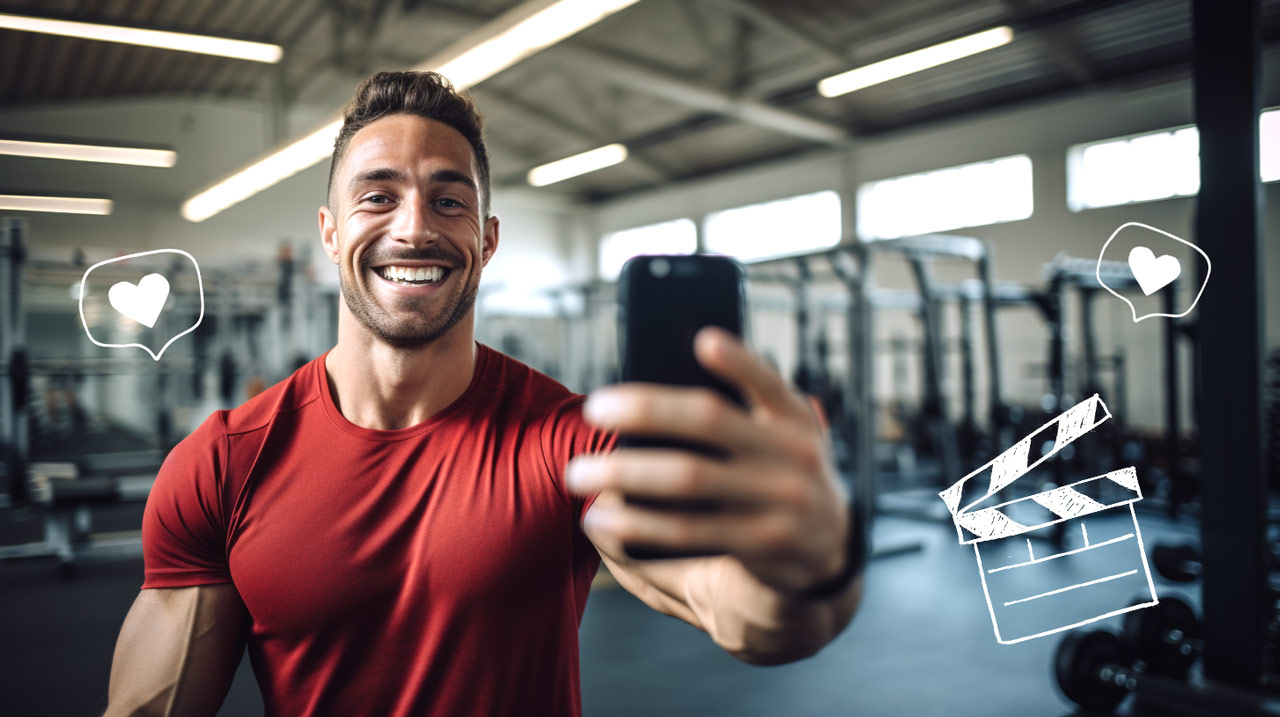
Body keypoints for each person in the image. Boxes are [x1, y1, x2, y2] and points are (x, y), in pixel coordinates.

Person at [104, 71, 862, 717]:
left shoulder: (569, 442)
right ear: (331, 234)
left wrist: (815, 562)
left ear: (488, 238)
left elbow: (731, 607)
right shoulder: (223, 463)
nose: (414, 228)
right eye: (378, 197)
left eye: (448, 200)